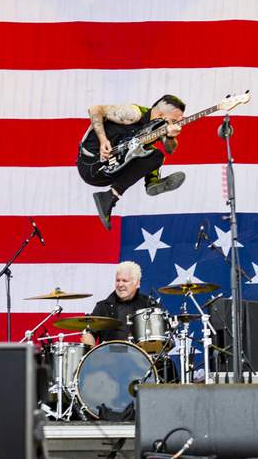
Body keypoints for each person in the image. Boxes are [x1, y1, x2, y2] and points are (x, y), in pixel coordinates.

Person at [77, 95, 188, 230]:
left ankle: (118, 193)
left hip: (112, 169)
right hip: (92, 165)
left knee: (156, 156)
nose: (174, 124)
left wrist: (170, 136)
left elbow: (170, 149)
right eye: (173, 121)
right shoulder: (134, 113)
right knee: (145, 148)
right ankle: (147, 182)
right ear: (160, 115)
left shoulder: (161, 126)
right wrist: (103, 140)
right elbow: (94, 109)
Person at [81, 261, 156, 346]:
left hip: (141, 353)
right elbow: (88, 333)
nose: (120, 284)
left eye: (125, 281)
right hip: (109, 354)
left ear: (137, 283)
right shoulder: (103, 307)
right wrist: (92, 349)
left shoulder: (148, 304)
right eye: (118, 280)